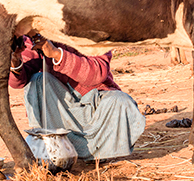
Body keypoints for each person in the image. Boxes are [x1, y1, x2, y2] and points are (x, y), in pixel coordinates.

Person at [8, 34, 146, 161]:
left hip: (95, 104)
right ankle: (50, 147)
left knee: (121, 102)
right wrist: (15, 62)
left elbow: (97, 73)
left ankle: (98, 152)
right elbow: (18, 82)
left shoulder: (96, 32)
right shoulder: (38, 36)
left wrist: (56, 54)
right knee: (37, 82)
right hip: (62, 110)